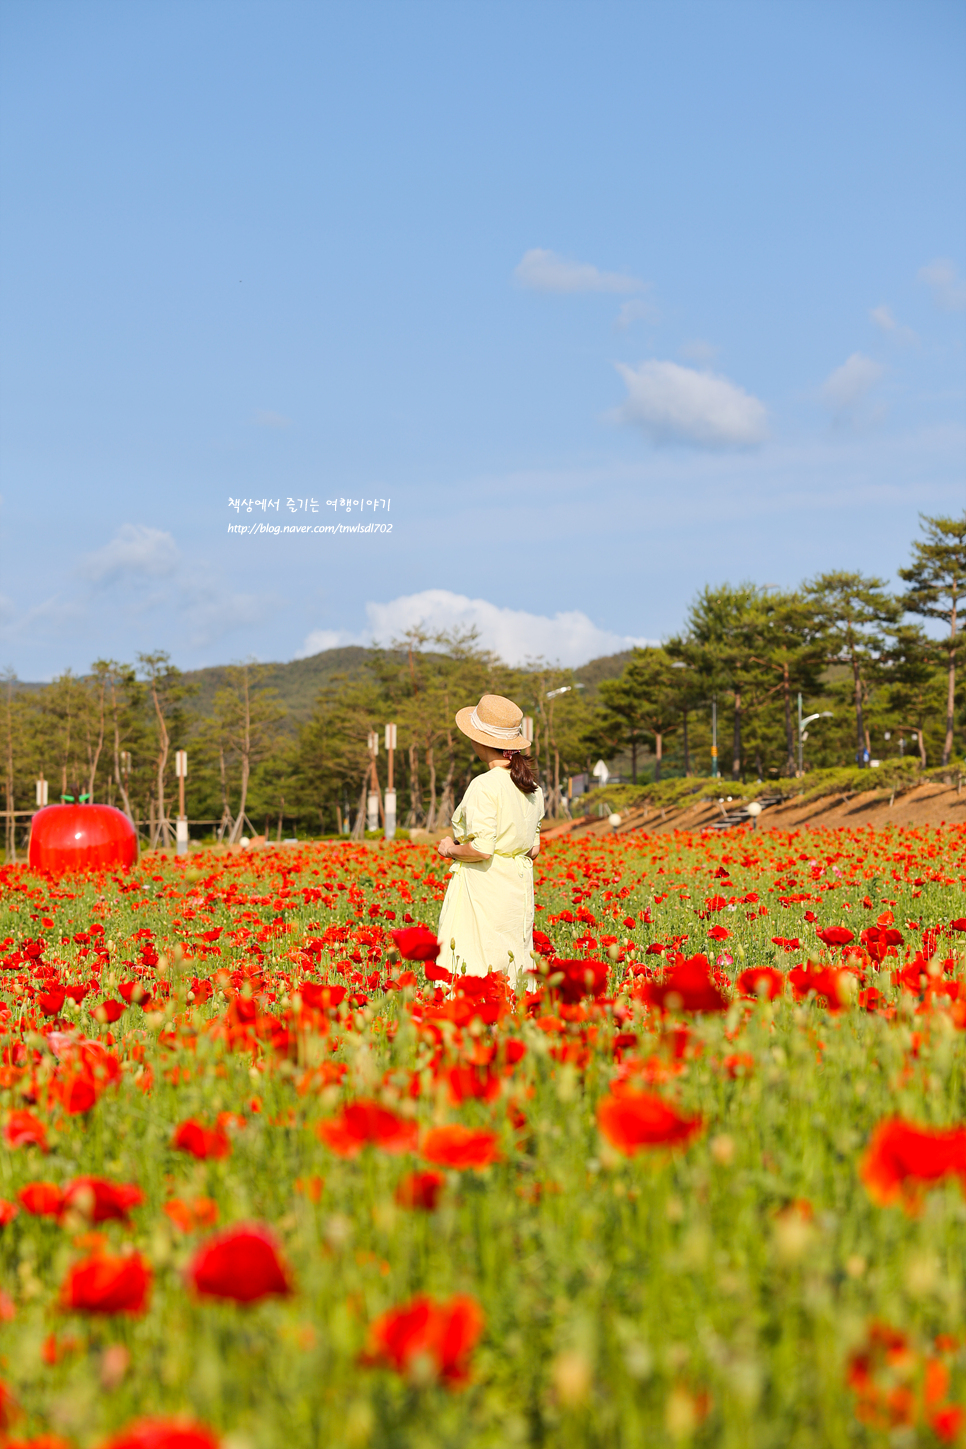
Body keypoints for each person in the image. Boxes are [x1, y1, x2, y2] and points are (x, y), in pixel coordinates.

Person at [435, 693, 544, 990]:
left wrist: (449, 849)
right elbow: (533, 849)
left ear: (479, 741)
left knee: (475, 956)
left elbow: (482, 849)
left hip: (483, 886)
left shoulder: (484, 784)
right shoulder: (533, 788)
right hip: (517, 886)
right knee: (512, 957)